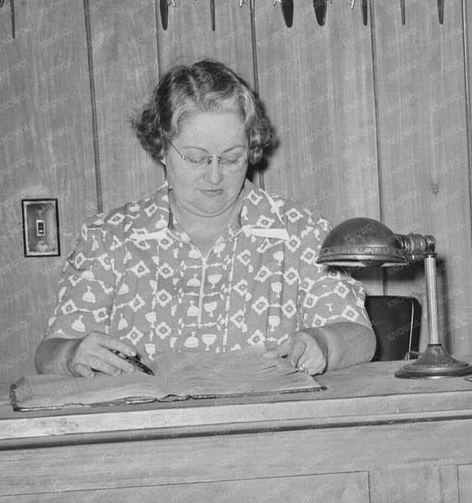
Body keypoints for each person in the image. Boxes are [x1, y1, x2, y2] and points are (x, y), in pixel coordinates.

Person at [35, 59, 374, 377]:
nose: (215, 177)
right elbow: (49, 351)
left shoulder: (300, 230)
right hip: (146, 435)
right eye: (197, 159)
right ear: (161, 147)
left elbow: (359, 335)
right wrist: (71, 354)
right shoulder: (109, 238)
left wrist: (322, 343)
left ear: (251, 148)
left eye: (231, 159)